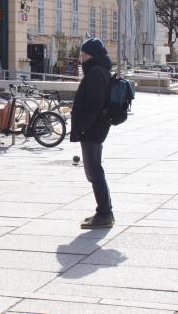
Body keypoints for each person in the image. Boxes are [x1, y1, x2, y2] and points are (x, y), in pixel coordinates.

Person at [70, 38, 113, 229]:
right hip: (96, 128)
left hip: (92, 130)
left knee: (94, 172)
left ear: (91, 55)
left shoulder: (95, 73)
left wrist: (83, 127)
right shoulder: (101, 70)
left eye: (83, 54)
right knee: (95, 171)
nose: (81, 58)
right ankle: (104, 212)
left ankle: (104, 214)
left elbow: (94, 105)